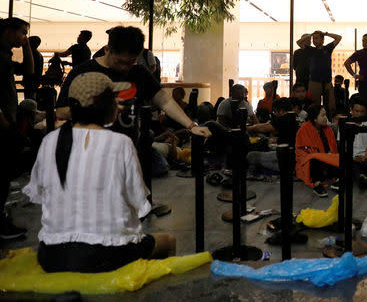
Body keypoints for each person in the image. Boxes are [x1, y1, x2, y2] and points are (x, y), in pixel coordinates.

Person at [23, 72, 176, 272]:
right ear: (106, 106)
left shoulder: (50, 141)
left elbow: (39, 194)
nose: (119, 103)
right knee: (168, 240)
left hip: (51, 254)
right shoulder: (120, 143)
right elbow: (139, 204)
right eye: (115, 98)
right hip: (104, 254)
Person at [55, 27, 211, 139]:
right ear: (107, 49)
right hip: (89, 147)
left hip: (127, 146)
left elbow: (165, 101)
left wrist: (192, 126)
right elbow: (61, 111)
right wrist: (98, 109)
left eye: (130, 62)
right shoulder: (82, 72)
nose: (125, 68)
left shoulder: (139, 72)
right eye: (120, 62)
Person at [0, 17, 33, 240]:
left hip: (8, 121)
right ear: (8, 31)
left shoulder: (6, 55)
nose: (24, 37)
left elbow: (29, 72)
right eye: (22, 32)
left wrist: (27, 45)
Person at [295, 104, 339, 197]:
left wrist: (329, 155)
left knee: (337, 158)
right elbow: (302, 153)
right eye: (323, 115)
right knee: (314, 158)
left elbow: (333, 149)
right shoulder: (303, 130)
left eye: (326, 115)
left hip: (326, 159)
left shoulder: (328, 129)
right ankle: (317, 184)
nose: (326, 118)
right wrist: (321, 156)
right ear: (315, 119)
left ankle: (337, 181)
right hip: (310, 162)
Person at [305, 30, 342, 110]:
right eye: (313, 39)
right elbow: (298, 42)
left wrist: (326, 34)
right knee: (314, 105)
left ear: (322, 40)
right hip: (314, 81)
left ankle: (329, 120)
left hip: (327, 82)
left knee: (330, 105)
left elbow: (339, 38)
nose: (314, 40)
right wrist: (309, 35)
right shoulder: (311, 50)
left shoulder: (328, 48)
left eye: (317, 38)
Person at [344, 33, 367, 107]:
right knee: (364, 105)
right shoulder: (359, 53)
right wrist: (355, 75)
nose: (364, 43)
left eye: (366, 41)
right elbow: (346, 63)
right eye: (363, 41)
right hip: (364, 83)